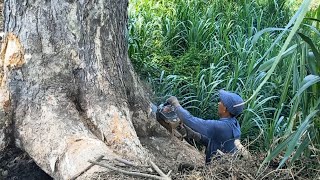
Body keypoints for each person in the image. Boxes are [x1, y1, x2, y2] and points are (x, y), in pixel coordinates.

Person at [167, 89, 244, 164]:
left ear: (225, 109)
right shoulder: (234, 123)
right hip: (223, 168)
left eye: (221, 102)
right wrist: (193, 134)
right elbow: (216, 142)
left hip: (215, 171)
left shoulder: (222, 127)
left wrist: (175, 104)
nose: (218, 103)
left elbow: (190, 120)